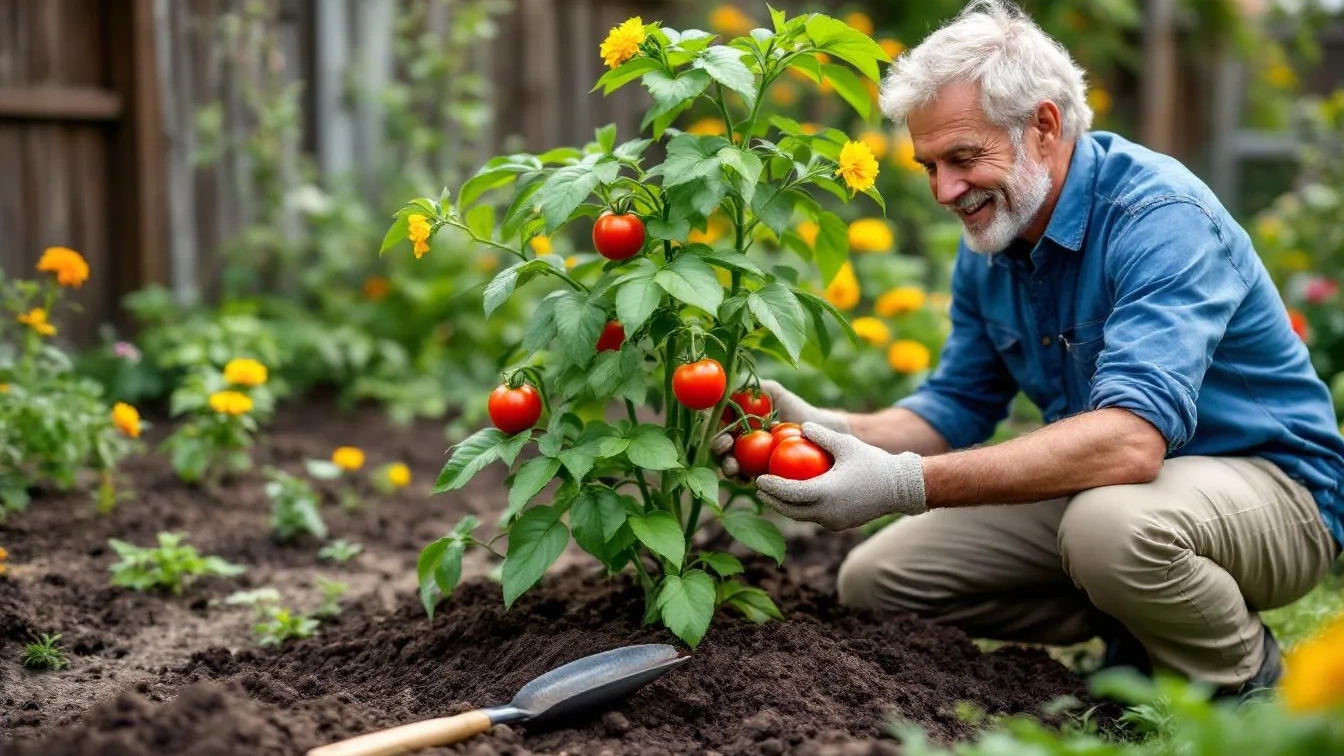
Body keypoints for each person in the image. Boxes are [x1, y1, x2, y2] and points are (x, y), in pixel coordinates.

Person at [715, 0, 1344, 697]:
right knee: (876, 580)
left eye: (962, 158)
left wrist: (902, 485)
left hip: (1276, 494)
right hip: (1120, 496)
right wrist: (826, 429)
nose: (943, 190)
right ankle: (1141, 622)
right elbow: (955, 406)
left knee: (1112, 531)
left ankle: (1246, 682)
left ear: (1044, 125)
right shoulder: (994, 238)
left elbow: (1130, 444)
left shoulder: (1160, 219)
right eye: (928, 165)